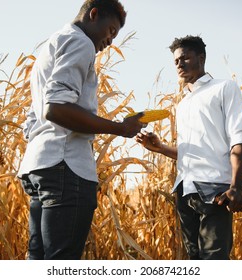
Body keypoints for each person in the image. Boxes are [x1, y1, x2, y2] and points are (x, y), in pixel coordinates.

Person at [17, 0, 144, 260]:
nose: (110, 41)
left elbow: (34, 118)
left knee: (38, 259)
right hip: (66, 167)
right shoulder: (80, 42)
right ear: (93, 14)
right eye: (110, 31)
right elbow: (56, 109)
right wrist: (121, 128)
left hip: (39, 166)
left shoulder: (52, 44)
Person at [136, 35, 242, 260]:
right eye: (176, 61)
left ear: (201, 57)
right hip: (184, 190)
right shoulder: (183, 102)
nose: (179, 64)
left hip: (215, 188)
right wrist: (161, 148)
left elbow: (239, 138)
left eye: (185, 58)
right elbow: (191, 152)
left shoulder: (224, 88)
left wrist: (236, 186)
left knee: (214, 259)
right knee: (194, 259)